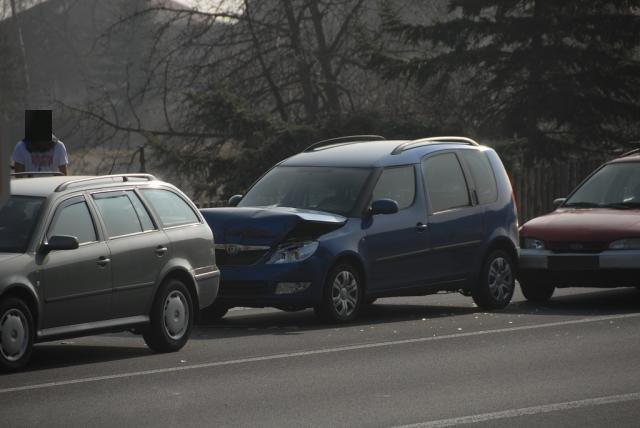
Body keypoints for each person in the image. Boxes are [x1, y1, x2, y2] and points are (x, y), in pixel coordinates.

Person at [12, 110, 69, 175]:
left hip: (52, 184)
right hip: (29, 184)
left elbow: (63, 175)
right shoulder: (21, 147)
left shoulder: (59, 146)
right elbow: (19, 176)